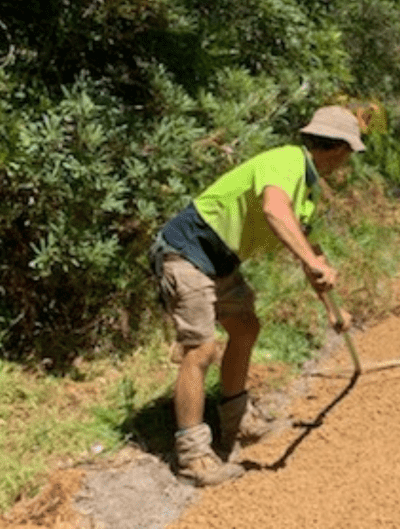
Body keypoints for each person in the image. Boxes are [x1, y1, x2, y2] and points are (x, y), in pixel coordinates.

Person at [148, 105, 364, 486]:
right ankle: (193, 455)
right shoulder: (287, 162)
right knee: (200, 348)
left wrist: (336, 307)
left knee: (245, 326)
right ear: (339, 148)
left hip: (221, 259)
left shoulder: (308, 188)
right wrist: (311, 262)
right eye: (348, 154)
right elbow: (275, 211)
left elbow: (309, 251)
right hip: (186, 251)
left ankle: (237, 419)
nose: (346, 163)